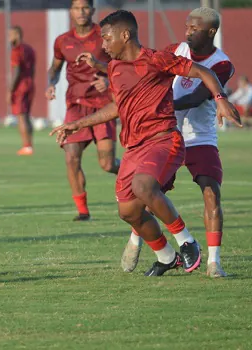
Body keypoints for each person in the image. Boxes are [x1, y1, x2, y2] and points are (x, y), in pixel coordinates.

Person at [52, 10, 242, 276]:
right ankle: (166, 256)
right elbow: (116, 107)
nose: (103, 45)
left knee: (146, 186)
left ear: (125, 35)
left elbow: (203, 73)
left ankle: (188, 242)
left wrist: (221, 100)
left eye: (106, 38)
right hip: (134, 147)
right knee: (128, 211)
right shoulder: (116, 67)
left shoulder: (157, 59)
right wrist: (77, 124)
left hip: (164, 138)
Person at [121, 7, 235, 278]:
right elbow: (149, 73)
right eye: (186, 27)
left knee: (211, 193)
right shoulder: (176, 49)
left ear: (211, 31)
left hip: (199, 137)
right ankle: (136, 238)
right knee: (148, 194)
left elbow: (197, 97)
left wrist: (160, 104)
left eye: (194, 29)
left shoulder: (221, 63)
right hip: (166, 134)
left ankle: (213, 263)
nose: (187, 32)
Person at [46, 0, 121, 221]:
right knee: (71, 158)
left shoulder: (105, 35)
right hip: (76, 105)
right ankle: (82, 210)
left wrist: (108, 80)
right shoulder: (62, 41)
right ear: (71, 11)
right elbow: (55, 68)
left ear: (93, 10)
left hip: (103, 104)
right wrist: (50, 83)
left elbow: (123, 64)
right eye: (77, 8)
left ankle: (137, 174)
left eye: (85, 7)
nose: (81, 12)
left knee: (107, 164)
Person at [8, 26, 36, 155]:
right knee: (26, 115)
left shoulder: (16, 50)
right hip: (30, 83)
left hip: (21, 86)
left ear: (17, 35)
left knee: (21, 116)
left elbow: (17, 71)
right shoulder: (30, 49)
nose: (9, 37)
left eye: (11, 35)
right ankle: (29, 145)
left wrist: (10, 90)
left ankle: (26, 146)